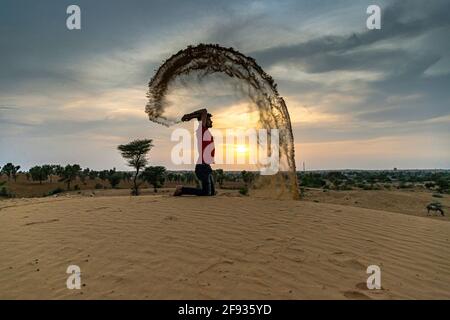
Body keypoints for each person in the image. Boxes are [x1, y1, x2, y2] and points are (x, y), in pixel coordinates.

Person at [174, 108, 216, 196]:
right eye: (209, 120)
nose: (211, 122)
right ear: (204, 121)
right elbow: (204, 111)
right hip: (202, 167)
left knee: (211, 193)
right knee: (206, 193)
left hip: (207, 167)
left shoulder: (206, 132)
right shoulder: (202, 130)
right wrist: (190, 116)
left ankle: (183, 189)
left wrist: (192, 116)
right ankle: (181, 189)